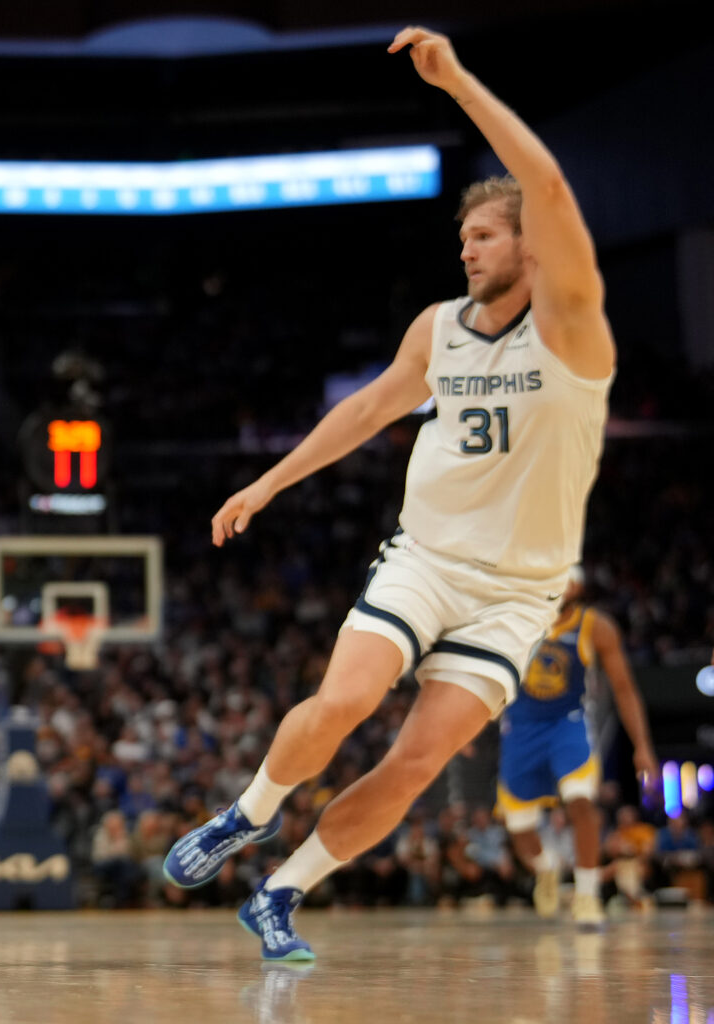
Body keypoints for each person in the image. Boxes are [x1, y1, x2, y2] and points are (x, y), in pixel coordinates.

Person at [163, 28, 617, 961]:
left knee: (415, 763)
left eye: (484, 234)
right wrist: (269, 481)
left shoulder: (573, 330)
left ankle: (282, 895)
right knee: (343, 704)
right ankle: (246, 816)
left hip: (519, 592)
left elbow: (555, 189)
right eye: (461, 237)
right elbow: (370, 410)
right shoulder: (439, 329)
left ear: (533, 248)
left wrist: (455, 84)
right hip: (429, 558)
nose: (466, 250)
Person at [498, 566, 657, 929]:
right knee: (520, 829)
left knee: (582, 802)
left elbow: (625, 688)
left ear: (579, 587)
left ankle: (587, 895)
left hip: (566, 725)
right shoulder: (515, 619)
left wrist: (642, 746)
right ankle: (547, 868)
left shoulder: (594, 626)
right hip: (519, 729)